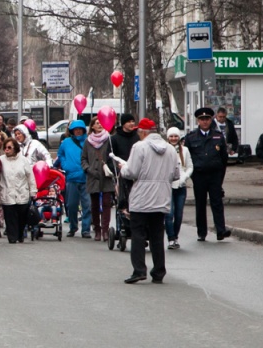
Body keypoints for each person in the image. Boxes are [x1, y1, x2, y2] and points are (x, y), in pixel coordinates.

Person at [120, 118, 179, 284]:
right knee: (157, 236)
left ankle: (139, 270)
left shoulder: (139, 147)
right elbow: (176, 175)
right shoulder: (170, 149)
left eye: (139, 131)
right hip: (162, 197)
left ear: (144, 132)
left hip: (141, 198)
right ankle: (159, 271)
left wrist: (122, 169)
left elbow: (131, 172)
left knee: (138, 234)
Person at [183, 107, 230, 242]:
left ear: (211, 120)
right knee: (200, 203)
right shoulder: (191, 137)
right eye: (202, 119)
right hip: (199, 175)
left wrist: (221, 176)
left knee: (217, 202)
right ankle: (201, 232)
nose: (205, 122)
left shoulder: (218, 136)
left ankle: (220, 230)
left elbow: (223, 158)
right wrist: (192, 174)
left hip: (215, 174)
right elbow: (187, 157)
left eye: (207, 119)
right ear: (198, 121)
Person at [55, 119, 92, 238]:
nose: (78, 132)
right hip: (71, 178)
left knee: (87, 205)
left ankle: (86, 229)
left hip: (86, 177)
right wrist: (65, 165)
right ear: (72, 131)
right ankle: (73, 227)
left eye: (80, 129)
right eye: (75, 130)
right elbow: (60, 154)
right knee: (71, 205)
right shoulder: (66, 142)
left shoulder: (89, 141)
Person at [81, 118, 116, 243]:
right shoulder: (87, 141)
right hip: (92, 176)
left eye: (101, 122)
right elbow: (83, 159)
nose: (99, 125)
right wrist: (88, 169)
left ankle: (105, 230)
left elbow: (113, 156)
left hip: (106, 176)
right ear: (92, 127)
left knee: (107, 203)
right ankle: (97, 229)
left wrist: (111, 168)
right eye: (97, 123)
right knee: (94, 205)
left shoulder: (109, 139)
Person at [0, 138, 35, 243]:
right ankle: (12, 237)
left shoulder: (23, 160)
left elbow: (30, 176)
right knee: (10, 217)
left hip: (22, 192)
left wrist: (33, 191)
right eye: (5, 148)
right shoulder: (1, 160)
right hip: (7, 192)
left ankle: (20, 234)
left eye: (9, 147)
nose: (6, 150)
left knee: (22, 216)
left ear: (15, 148)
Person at [164, 127, 193, 250]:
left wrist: (184, 178)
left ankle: (175, 236)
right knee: (169, 214)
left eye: (176, 136)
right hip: (168, 185)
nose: (173, 138)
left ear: (179, 137)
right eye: (171, 136)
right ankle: (171, 239)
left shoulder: (185, 150)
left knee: (179, 214)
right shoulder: (164, 149)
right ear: (168, 137)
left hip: (180, 186)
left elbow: (190, 167)